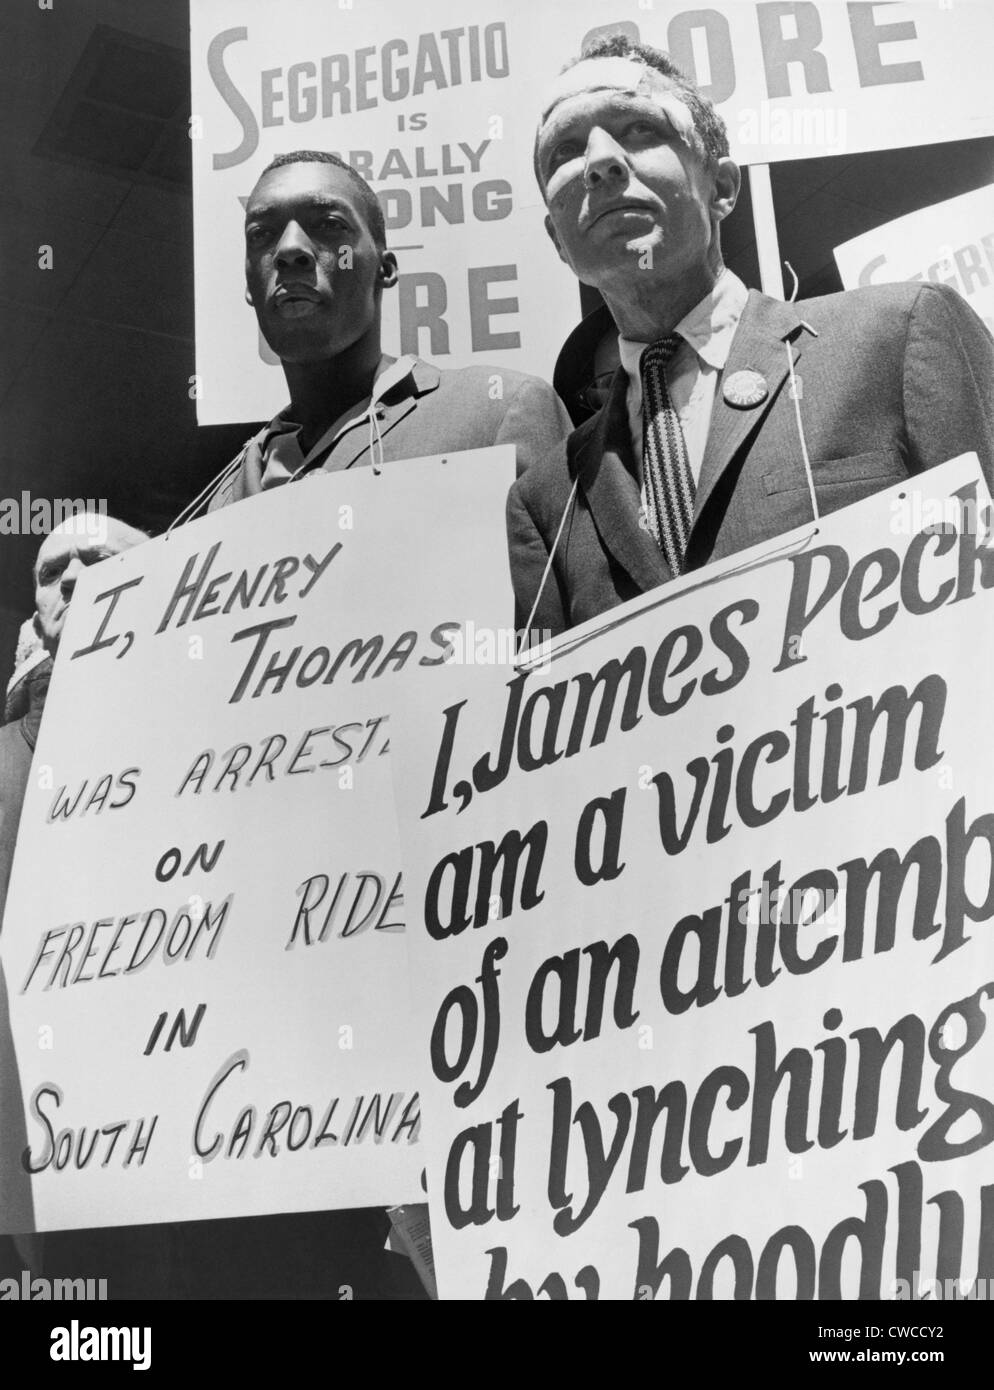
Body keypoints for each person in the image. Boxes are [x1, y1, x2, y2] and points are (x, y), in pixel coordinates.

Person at [507, 35, 994, 636]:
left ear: (721, 187)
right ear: (559, 240)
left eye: (637, 129)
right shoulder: (547, 499)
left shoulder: (900, 337)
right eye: (565, 150)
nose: (601, 161)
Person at [201, 149, 571, 512]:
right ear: (249, 285)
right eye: (261, 233)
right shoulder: (220, 502)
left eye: (329, 225)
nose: (290, 249)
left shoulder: (500, 413)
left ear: (386, 268)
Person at [0, 513, 149, 1286]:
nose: (71, 579)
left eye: (95, 559)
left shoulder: (229, 751)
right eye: (51, 571)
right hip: (36, 1142)